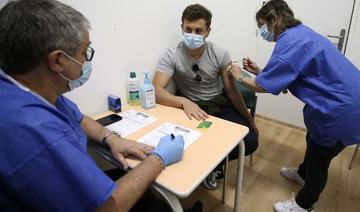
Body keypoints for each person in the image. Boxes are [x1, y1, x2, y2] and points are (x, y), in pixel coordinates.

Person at [0, 1, 190, 211]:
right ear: (58, 61)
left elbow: (78, 118)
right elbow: (107, 207)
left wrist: (111, 138)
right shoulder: (32, 129)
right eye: (85, 52)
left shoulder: (28, 87)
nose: (86, 60)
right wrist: (159, 158)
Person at [227, 0, 360, 211]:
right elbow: (287, 75)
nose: (262, 31)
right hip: (347, 98)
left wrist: (240, 76)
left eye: (262, 25)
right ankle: (302, 173)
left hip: (343, 110)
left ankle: (303, 205)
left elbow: (265, 87)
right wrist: (260, 71)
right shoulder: (301, 33)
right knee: (312, 138)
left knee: (319, 160)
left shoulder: (289, 43)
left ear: (274, 19)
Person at [153, 4, 259, 190]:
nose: (192, 34)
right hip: (189, 105)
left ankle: (215, 166)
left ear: (208, 32)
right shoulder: (172, 54)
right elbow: (156, 90)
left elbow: (232, 92)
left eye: (198, 30)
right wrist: (184, 102)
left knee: (250, 141)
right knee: (189, 142)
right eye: (188, 29)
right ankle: (202, 168)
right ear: (182, 27)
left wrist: (250, 120)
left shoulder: (220, 54)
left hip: (219, 102)